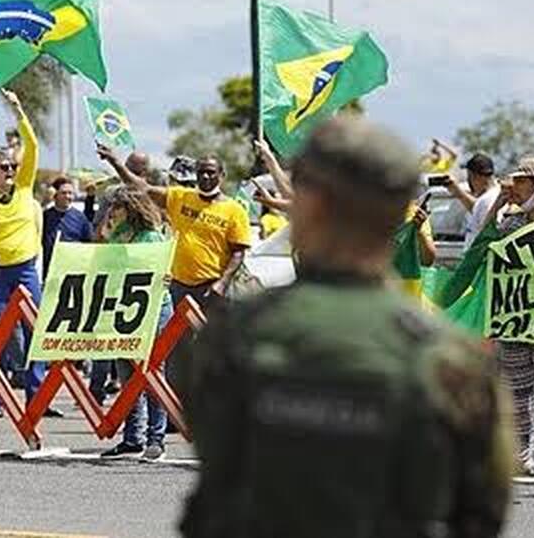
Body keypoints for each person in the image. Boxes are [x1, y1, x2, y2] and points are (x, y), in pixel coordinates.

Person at [175, 117, 514, 538]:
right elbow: (481, 512)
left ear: (311, 205)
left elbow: (217, 474)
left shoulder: (234, 337)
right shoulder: (454, 361)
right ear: (397, 214)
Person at [97, 145, 251, 307]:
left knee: (210, 332)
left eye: (211, 172)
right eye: (201, 172)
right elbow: (142, 188)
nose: (205, 176)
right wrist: (115, 162)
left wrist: (222, 283)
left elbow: (238, 253)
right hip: (178, 286)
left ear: (222, 175)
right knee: (178, 332)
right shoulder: (179, 197)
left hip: (211, 287)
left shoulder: (234, 210)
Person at [0, 89, 55, 418]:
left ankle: (36, 395)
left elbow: (34, 147)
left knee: (35, 331)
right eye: (3, 167)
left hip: (26, 270)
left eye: (12, 166)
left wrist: (18, 109)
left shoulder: (24, 187)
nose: (11, 170)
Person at [478, 157, 534, 475]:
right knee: (515, 399)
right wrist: (497, 206)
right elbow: (484, 250)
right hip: (514, 326)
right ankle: (521, 458)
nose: (515, 188)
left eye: (521, 182)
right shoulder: (511, 224)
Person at [98, 186, 174, 462]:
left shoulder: (151, 237)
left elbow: (161, 271)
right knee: (127, 376)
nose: (111, 213)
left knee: (153, 373)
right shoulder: (117, 235)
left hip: (153, 310)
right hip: (123, 312)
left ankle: (157, 438)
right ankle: (133, 437)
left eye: (115, 208)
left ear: (130, 209)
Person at [41, 177, 92, 280]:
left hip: (73, 272)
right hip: (50, 273)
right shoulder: (44, 216)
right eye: (63, 193)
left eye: (70, 193)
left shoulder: (80, 218)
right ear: (55, 195)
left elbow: (88, 243)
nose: (67, 196)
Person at [444, 153, 500, 249]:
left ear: (474, 176)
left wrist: (459, 193)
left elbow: (486, 231)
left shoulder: (487, 200)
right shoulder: (494, 195)